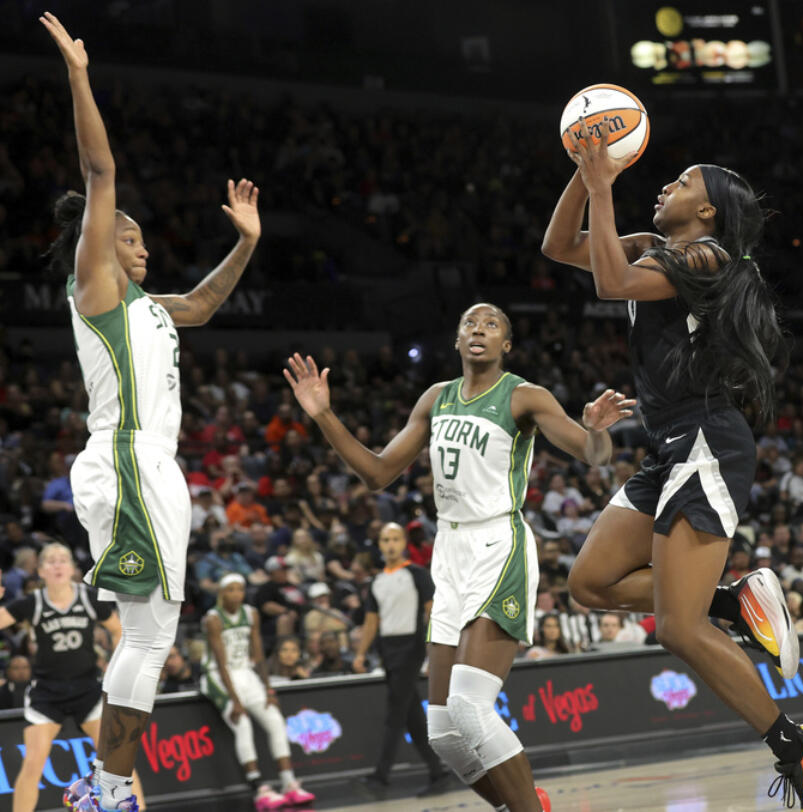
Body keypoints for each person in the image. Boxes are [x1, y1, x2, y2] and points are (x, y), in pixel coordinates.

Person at [544, 121, 803, 811]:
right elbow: (559, 246)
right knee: (588, 583)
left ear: (706, 211)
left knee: (677, 629)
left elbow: (610, 280)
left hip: (707, 437)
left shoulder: (710, 259)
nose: (666, 186)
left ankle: (797, 746)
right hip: (669, 443)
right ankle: (732, 601)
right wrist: (583, 166)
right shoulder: (656, 248)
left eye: (681, 183)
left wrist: (602, 186)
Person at [38, 14, 261, 812]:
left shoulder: (150, 307)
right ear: (108, 247)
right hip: (127, 456)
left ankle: (106, 789)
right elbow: (101, 171)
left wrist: (247, 243)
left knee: (150, 635)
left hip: (148, 465)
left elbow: (201, 304)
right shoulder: (95, 287)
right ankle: (106, 790)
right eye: (130, 240)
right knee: (149, 637)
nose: (140, 248)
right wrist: (77, 74)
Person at [284, 303, 632, 812]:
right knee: (443, 731)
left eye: (492, 325)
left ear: (506, 345)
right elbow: (378, 473)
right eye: (470, 323)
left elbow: (592, 455)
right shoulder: (436, 398)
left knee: (471, 710)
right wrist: (323, 415)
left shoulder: (523, 396)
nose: (479, 330)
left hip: (497, 543)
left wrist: (598, 430)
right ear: (456, 339)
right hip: (449, 551)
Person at [0, 544, 142, 812]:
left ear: (72, 569)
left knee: (118, 764)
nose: (57, 565)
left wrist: (115, 665)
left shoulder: (89, 598)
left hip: (87, 689)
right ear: (40, 570)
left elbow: (118, 630)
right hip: (46, 693)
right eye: (50, 561)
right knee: (32, 764)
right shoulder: (32, 603)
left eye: (63, 560)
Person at [202, 574, 314, 810]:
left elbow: (259, 654)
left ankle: (289, 783)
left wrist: (268, 689)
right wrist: (235, 701)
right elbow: (221, 663)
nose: (236, 594)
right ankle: (259, 789)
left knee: (275, 721)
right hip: (217, 675)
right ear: (222, 593)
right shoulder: (213, 619)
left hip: (245, 672)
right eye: (231, 589)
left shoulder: (251, 613)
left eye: (240, 589)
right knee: (242, 723)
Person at [350, 522, 444, 790]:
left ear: (403, 543)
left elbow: (432, 612)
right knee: (411, 714)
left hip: (411, 646)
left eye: (394, 539)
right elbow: (371, 621)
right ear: (379, 545)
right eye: (385, 540)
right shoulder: (377, 581)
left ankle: (381, 776)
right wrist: (360, 654)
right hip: (387, 649)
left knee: (395, 712)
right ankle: (438, 772)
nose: (390, 544)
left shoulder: (417, 574)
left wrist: (433, 652)